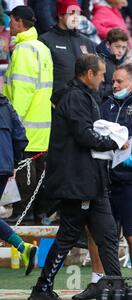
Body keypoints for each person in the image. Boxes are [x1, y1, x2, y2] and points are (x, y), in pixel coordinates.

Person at [29, 54, 126, 300]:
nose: (104, 79)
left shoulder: (83, 96)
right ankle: (42, 288)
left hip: (92, 181)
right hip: (78, 182)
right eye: (102, 74)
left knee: (107, 234)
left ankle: (115, 285)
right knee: (68, 236)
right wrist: (113, 142)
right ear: (89, 73)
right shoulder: (75, 98)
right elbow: (84, 136)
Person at [73, 63, 132, 300]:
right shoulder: (105, 106)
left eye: (119, 81)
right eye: (113, 81)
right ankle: (98, 281)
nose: (113, 85)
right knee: (97, 233)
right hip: (106, 180)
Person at [2, 6, 53, 225]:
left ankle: (22, 214)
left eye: (11, 21)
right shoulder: (42, 48)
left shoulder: (23, 51)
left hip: (26, 125)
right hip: (42, 125)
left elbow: (22, 92)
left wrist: (13, 123)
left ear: (19, 22)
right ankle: (39, 214)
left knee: (25, 175)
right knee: (39, 174)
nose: (9, 25)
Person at [0, 93, 37, 276]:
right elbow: (21, 137)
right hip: (3, 167)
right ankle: (23, 247)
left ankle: (22, 247)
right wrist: (13, 163)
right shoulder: (6, 105)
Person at [39, 0, 97, 105]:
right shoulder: (45, 40)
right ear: (60, 15)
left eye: (78, 13)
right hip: (56, 105)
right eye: (71, 13)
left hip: (83, 104)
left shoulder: (88, 43)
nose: (75, 17)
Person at [96, 28, 129, 100]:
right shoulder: (99, 62)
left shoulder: (125, 62)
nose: (121, 51)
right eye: (117, 47)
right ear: (108, 45)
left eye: (124, 48)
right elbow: (98, 89)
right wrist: (120, 87)